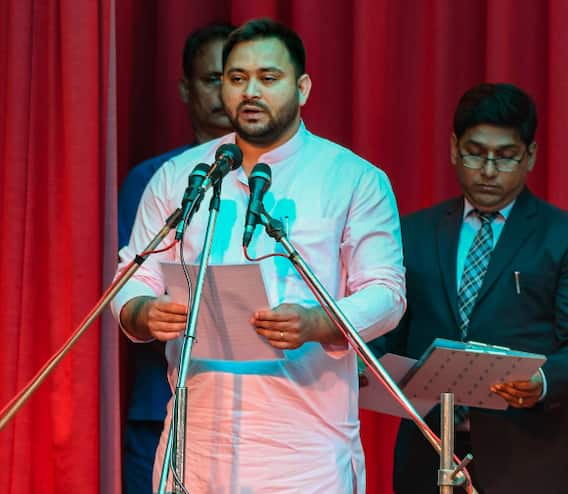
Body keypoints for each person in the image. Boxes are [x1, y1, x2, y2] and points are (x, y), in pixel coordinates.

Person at [112, 18, 406, 493]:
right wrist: (144, 312)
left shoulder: (352, 178)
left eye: (269, 78)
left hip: (304, 448)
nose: (251, 91)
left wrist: (317, 322)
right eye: (237, 78)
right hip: (196, 439)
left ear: (302, 88)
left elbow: (387, 294)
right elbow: (132, 275)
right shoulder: (181, 176)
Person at [370, 83, 568, 494]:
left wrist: (543, 380)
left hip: (525, 456)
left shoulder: (560, 236)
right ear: (453, 149)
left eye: (506, 156)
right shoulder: (413, 233)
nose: (489, 170)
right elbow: (389, 332)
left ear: (530, 155)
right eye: (475, 153)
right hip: (427, 452)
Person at [118, 22, 234, 494]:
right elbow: (132, 283)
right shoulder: (156, 179)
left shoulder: (285, 180)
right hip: (162, 397)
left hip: (261, 409)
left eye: (234, 78)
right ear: (186, 88)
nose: (224, 92)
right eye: (212, 79)